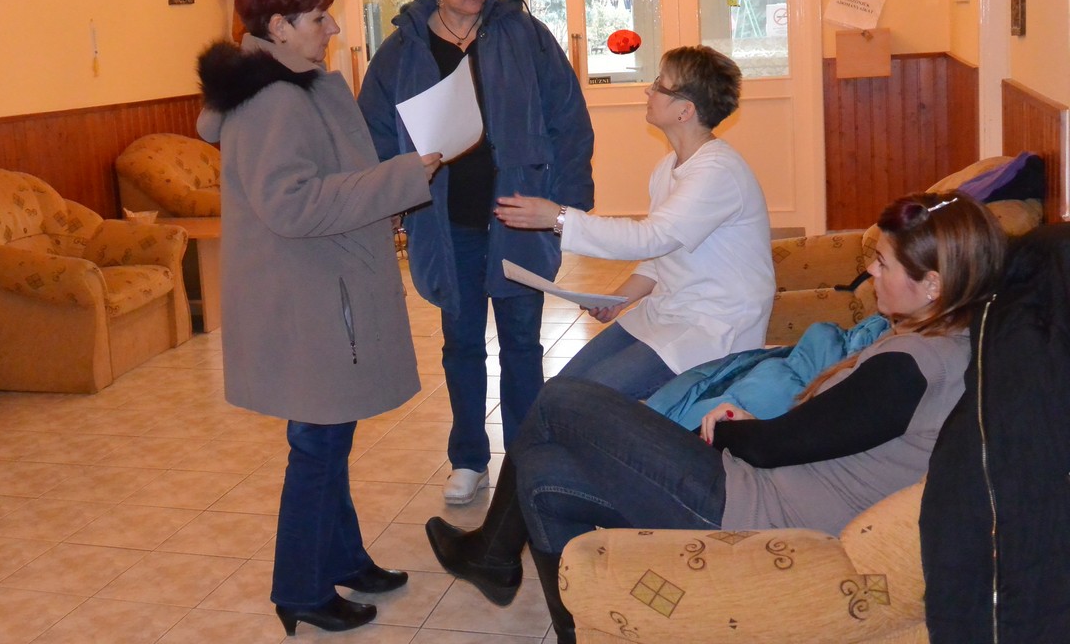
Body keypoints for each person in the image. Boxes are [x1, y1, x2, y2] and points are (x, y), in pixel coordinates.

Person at [426, 191, 1006, 643]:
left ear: (932, 284)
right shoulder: (942, 343)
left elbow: (776, 445)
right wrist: (745, 424)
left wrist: (729, 428)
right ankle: (552, 612)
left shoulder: (912, 367)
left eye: (882, 262)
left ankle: (493, 555)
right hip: (760, 486)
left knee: (562, 399)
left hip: (759, 506)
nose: (871, 271)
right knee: (544, 473)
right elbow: (824, 431)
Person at [195, 0, 441, 636]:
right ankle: (299, 588)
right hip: (307, 303)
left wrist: (391, 181)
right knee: (318, 443)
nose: (333, 27)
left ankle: (342, 556)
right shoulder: (274, 101)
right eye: (318, 17)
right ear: (278, 28)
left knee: (329, 436)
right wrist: (398, 180)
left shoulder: (301, 83)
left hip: (323, 291)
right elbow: (293, 205)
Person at [359, 0, 595, 505]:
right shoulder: (404, 48)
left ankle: (525, 460)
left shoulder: (523, 32)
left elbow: (568, 116)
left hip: (518, 213)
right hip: (448, 220)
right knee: (461, 343)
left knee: (522, 342)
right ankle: (468, 459)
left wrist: (567, 205)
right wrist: (391, 197)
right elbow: (376, 132)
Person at [494, 44, 775, 400]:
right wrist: (620, 298)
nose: (648, 90)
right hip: (667, 313)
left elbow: (651, 238)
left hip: (714, 325)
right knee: (559, 392)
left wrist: (558, 217)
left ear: (685, 110)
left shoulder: (718, 171)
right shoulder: (669, 167)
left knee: (579, 402)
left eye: (659, 84)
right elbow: (662, 254)